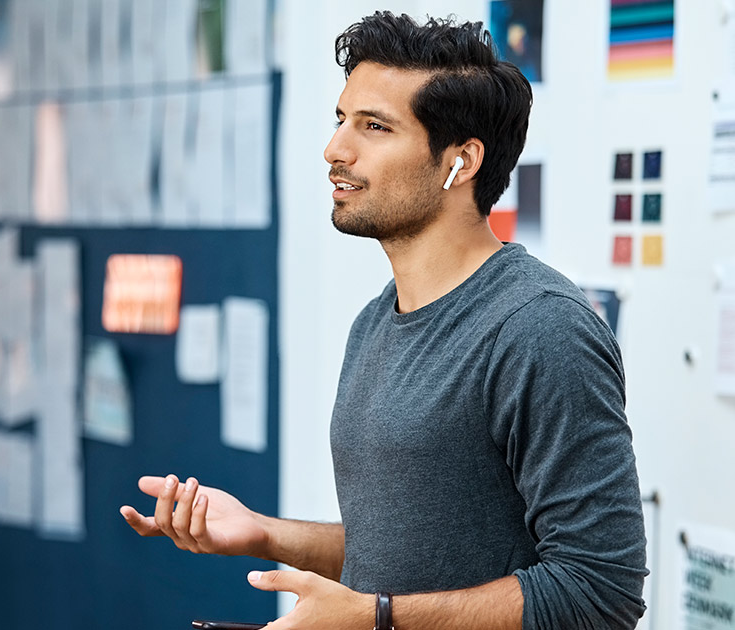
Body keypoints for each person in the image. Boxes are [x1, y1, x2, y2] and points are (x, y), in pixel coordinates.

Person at [121, 12, 647, 630]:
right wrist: (264, 532)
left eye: (374, 126)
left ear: (462, 161)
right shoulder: (375, 322)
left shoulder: (539, 329)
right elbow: (411, 556)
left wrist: (378, 618)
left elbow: (600, 591)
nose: (335, 149)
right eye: (340, 120)